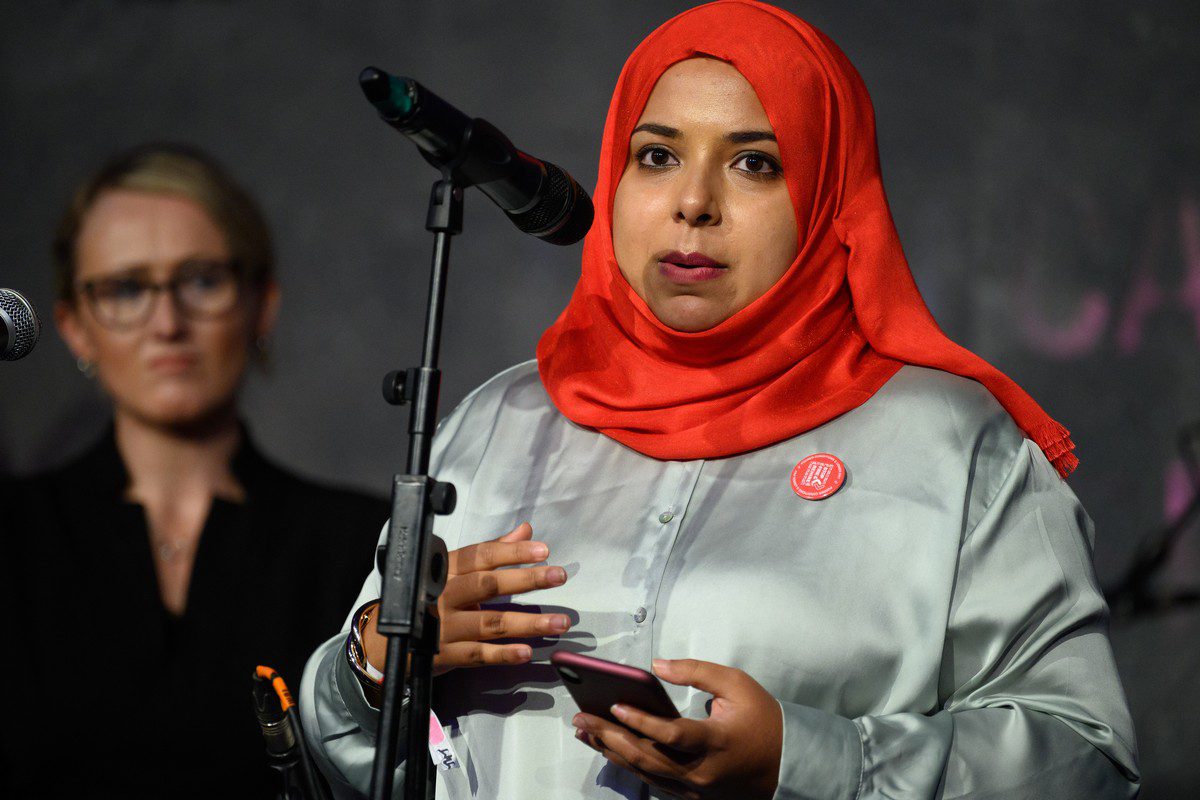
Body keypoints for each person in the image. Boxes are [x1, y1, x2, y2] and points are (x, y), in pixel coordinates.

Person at [300, 2, 1140, 798]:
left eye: (754, 163)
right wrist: (375, 661)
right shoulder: (500, 424)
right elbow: (344, 760)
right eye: (657, 155)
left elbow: (1085, 762)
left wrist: (806, 765)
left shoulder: (953, 444)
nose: (692, 203)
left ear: (828, 200)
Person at [0, 144, 387, 799]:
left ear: (260, 304)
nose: (167, 323)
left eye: (202, 280)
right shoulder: (10, 535)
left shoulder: (365, 545)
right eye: (126, 289)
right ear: (74, 327)